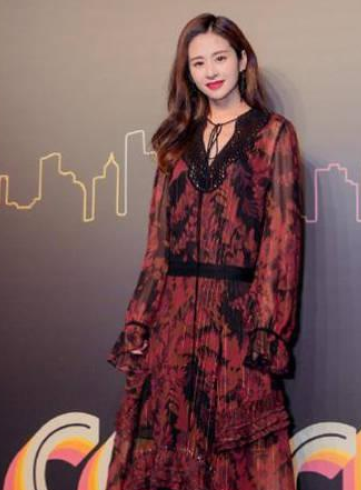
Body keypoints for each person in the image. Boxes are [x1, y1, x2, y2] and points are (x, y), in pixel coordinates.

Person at [106, 12, 304, 490]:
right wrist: (140, 319)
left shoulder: (274, 134)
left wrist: (266, 327)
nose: (211, 71)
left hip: (236, 326)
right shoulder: (175, 139)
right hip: (172, 328)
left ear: (242, 60)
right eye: (198, 63)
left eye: (220, 58)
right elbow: (157, 244)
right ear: (187, 72)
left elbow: (281, 239)